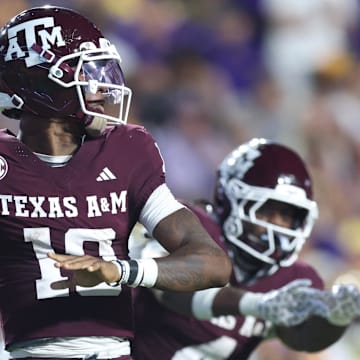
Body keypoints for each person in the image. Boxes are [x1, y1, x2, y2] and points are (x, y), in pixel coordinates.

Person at [0, 5, 233, 360]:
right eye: (86, 73)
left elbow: (213, 263)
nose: (103, 88)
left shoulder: (127, 149)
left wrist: (122, 270)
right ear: (38, 82)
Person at [133, 138, 360, 359]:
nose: (278, 225)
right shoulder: (193, 227)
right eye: (267, 210)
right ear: (232, 200)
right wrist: (256, 304)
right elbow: (168, 287)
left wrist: (336, 316)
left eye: (288, 216)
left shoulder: (295, 278)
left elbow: (303, 337)